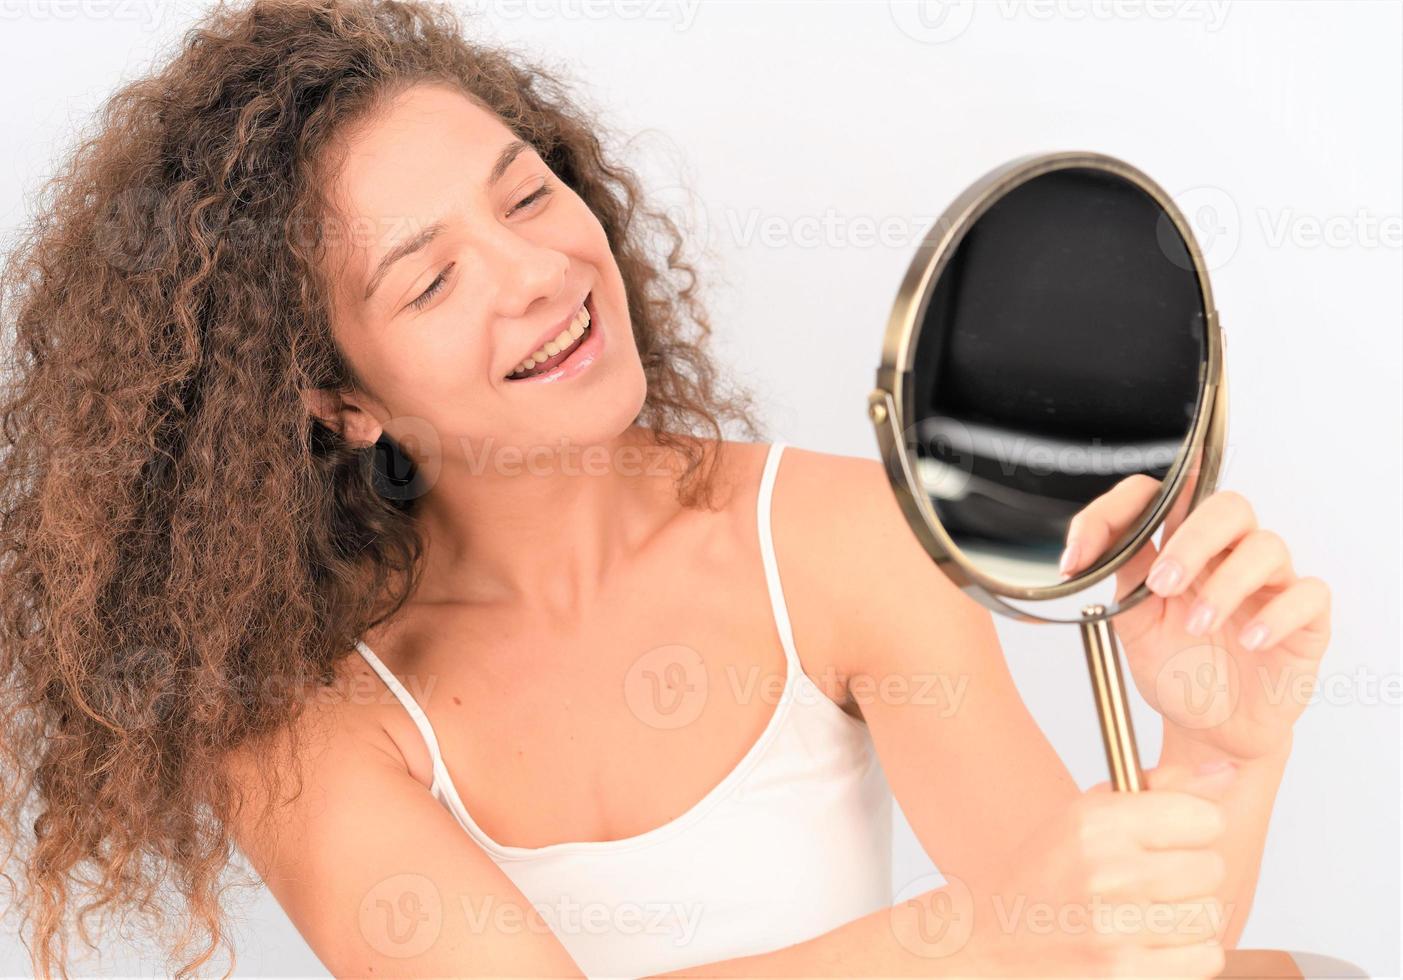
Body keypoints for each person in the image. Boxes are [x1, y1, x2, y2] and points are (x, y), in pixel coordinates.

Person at [0, 1, 1331, 977]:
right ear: (336, 400)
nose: (535, 275)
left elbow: (1113, 954)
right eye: (430, 278)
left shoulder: (837, 538)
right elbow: (1023, 931)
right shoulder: (307, 725)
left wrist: (1221, 755)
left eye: (527, 198)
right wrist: (980, 934)